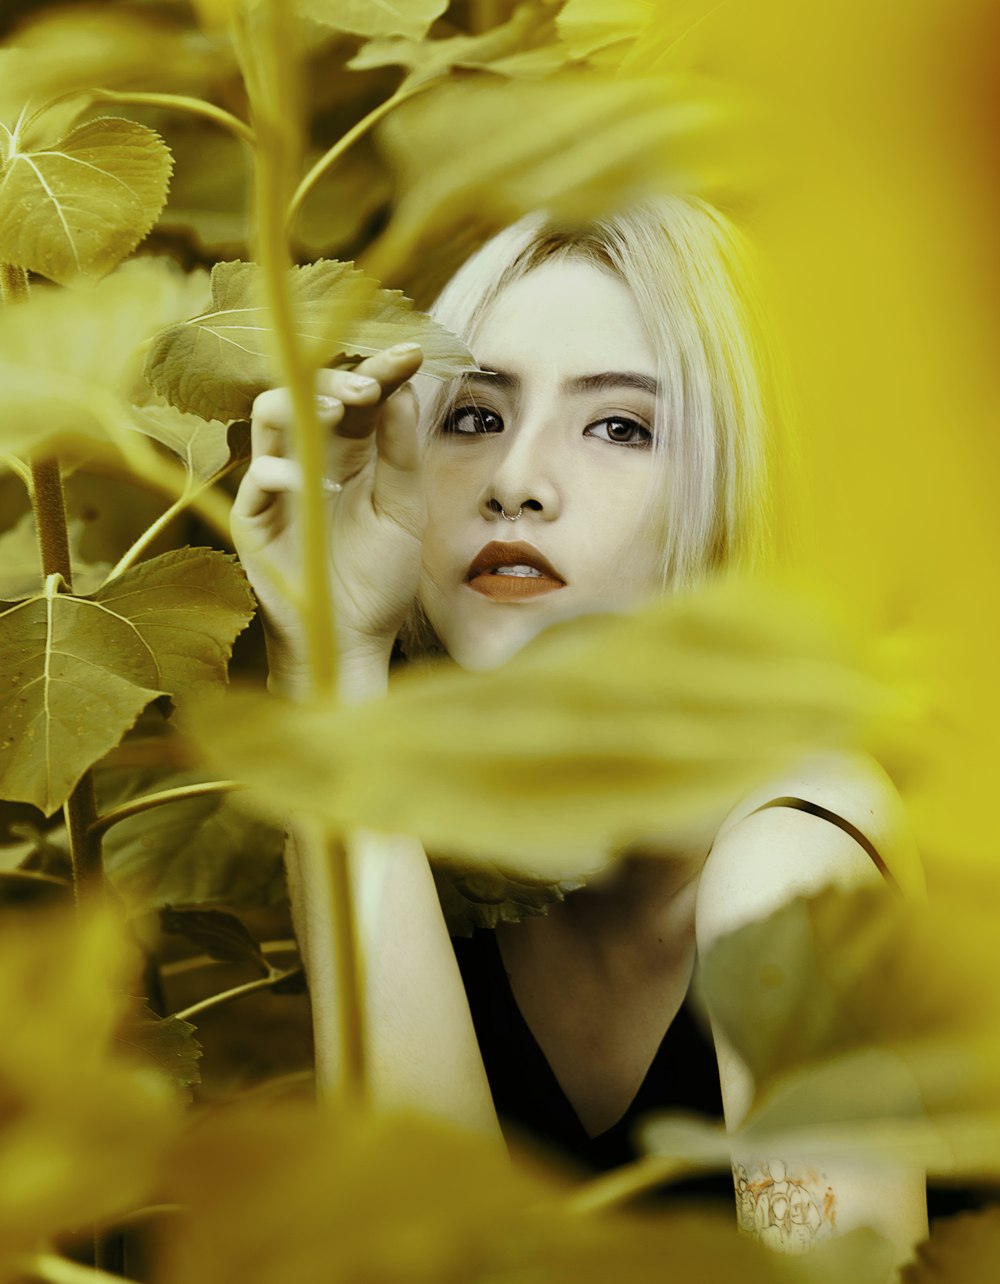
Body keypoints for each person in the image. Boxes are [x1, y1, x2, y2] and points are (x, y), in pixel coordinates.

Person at [230, 196, 927, 1264]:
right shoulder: (439, 860)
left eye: (619, 427)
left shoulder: (793, 865)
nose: (516, 482)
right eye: (475, 417)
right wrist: (327, 663)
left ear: (738, 486)